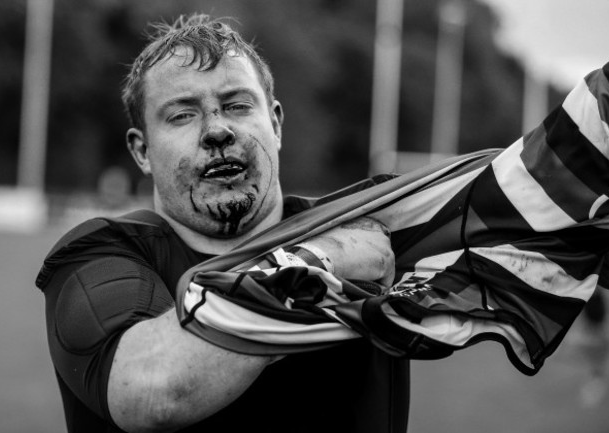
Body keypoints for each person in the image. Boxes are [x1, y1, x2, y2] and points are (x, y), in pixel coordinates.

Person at [36, 14, 406, 433]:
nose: (216, 130)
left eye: (237, 105)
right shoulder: (95, 255)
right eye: (181, 115)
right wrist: (319, 264)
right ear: (142, 151)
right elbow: (151, 390)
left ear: (277, 124)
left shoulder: (379, 225)